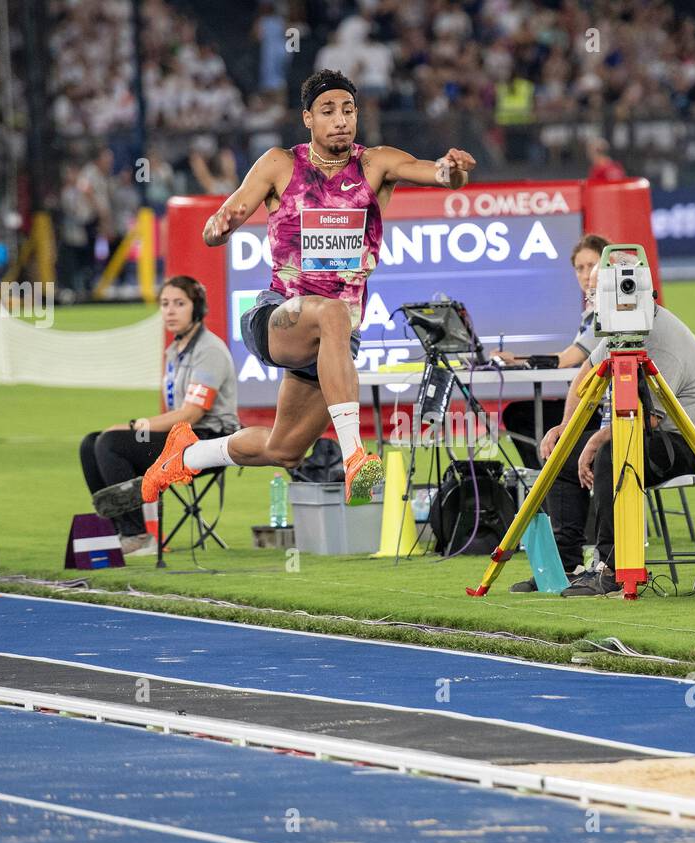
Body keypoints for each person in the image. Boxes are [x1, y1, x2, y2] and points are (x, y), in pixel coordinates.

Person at [139, 68, 476, 508]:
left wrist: (453, 169)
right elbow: (216, 226)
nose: (340, 119)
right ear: (308, 118)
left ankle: (185, 453)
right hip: (279, 315)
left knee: (285, 449)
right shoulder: (280, 164)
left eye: (348, 110)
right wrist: (219, 227)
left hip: (333, 343)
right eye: (328, 110)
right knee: (332, 311)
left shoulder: (375, 164)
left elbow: (437, 174)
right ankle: (355, 453)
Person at [514, 260, 695, 597]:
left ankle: (612, 569)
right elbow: (586, 374)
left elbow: (648, 419)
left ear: (618, 293)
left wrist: (594, 441)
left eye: (595, 294)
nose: (591, 302)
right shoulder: (623, 324)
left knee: (611, 453)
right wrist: (566, 427)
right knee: (564, 451)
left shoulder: (660, 338)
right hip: (653, 432)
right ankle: (565, 565)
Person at [79, 276, 238, 555]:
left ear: (197, 308)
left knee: (110, 443)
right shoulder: (174, 351)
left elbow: (191, 414)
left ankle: (137, 535)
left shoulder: (209, 350)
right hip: (182, 437)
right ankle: (117, 530)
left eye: (179, 304)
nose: (170, 311)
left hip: (209, 440)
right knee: (91, 443)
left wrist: (133, 426)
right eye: (165, 304)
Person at [492, 233, 608, 470]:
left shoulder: (608, 312)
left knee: (520, 415)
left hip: (603, 413)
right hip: (591, 407)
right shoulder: (591, 312)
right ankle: (547, 484)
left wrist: (517, 361)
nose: (586, 275)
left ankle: (545, 486)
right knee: (519, 413)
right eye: (579, 268)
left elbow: (568, 359)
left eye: (592, 266)